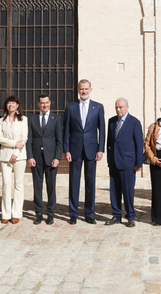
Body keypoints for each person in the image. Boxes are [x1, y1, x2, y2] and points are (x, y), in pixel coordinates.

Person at [63, 79, 105, 225]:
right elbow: (66, 130)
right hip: (74, 149)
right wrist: (66, 149)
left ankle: (89, 213)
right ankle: (73, 213)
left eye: (86, 89)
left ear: (91, 90)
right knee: (74, 182)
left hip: (92, 150)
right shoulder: (71, 107)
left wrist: (101, 149)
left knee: (90, 182)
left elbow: (102, 130)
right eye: (82, 89)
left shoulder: (98, 107)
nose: (84, 91)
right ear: (78, 90)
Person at [105, 98, 143, 228]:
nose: (118, 110)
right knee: (114, 191)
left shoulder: (134, 122)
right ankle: (116, 215)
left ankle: (130, 216)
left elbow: (139, 144)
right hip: (114, 162)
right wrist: (109, 160)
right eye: (116, 107)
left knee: (128, 191)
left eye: (120, 107)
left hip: (128, 163)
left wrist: (138, 163)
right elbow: (109, 142)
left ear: (127, 107)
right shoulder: (111, 121)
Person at [26, 94, 62, 225]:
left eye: (47, 103)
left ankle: (51, 214)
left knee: (51, 187)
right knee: (37, 186)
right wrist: (30, 156)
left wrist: (58, 157)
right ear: (38, 104)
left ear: (50, 103)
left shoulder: (56, 118)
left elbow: (59, 140)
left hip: (51, 158)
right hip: (36, 158)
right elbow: (29, 139)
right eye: (42, 103)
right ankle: (39, 213)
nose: (44, 105)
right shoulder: (32, 118)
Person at [0, 95, 28, 224]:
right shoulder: (1, 121)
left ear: (17, 105)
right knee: (6, 184)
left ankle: (16, 213)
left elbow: (24, 138)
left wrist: (15, 152)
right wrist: (14, 143)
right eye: (9, 103)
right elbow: (0, 139)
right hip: (5, 156)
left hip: (19, 156)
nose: (11, 105)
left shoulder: (23, 119)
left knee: (18, 185)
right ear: (6, 105)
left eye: (13, 103)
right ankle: (6, 213)